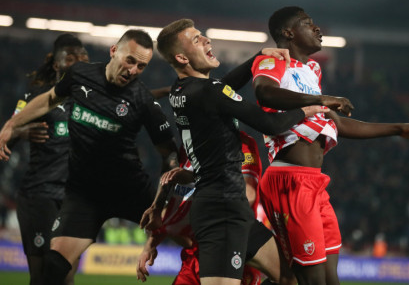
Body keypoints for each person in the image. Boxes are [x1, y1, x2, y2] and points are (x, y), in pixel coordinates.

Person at [250, 6, 409, 285]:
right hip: (289, 180)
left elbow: (337, 124)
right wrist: (320, 100)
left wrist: (399, 128)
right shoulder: (274, 61)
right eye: (307, 23)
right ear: (288, 33)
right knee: (306, 279)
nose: (316, 28)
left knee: (329, 278)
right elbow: (264, 92)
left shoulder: (312, 70)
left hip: (315, 183)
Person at [142, 18, 328, 285]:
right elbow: (270, 124)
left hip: (232, 208)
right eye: (197, 39)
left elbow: (223, 86)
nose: (206, 40)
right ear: (182, 57)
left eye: (203, 35)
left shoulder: (181, 90)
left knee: (291, 280)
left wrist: (258, 58)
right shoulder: (208, 92)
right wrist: (309, 108)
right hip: (221, 210)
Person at [0, 29, 179, 285]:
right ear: (113, 51)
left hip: (129, 189)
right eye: (131, 60)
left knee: (198, 235)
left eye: (142, 66)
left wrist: (161, 203)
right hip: (84, 194)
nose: (134, 70)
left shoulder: (143, 101)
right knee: (51, 270)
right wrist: (12, 125)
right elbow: (50, 98)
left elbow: (169, 153)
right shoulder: (80, 74)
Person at [9, 34, 88, 285]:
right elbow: (7, 134)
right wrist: (20, 132)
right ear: (57, 64)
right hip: (40, 195)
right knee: (42, 277)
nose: (79, 61)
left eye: (83, 56)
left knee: (67, 277)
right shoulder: (35, 96)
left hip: (74, 199)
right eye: (71, 58)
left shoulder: (91, 98)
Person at [137, 131, 264, 284]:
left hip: (232, 251)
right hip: (195, 256)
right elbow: (178, 205)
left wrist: (199, 180)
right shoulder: (187, 148)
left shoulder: (242, 144)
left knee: (286, 278)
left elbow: (248, 195)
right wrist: (151, 243)